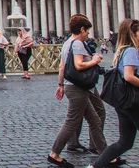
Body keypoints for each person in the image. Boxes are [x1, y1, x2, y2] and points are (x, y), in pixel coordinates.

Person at [47, 14, 110, 168]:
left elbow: (62, 66)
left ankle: (106, 155)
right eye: (87, 30)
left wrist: (60, 84)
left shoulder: (67, 43)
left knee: (94, 120)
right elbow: (79, 65)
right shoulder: (77, 44)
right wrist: (94, 60)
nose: (88, 33)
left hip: (72, 86)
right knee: (71, 122)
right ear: (82, 29)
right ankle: (54, 154)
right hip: (77, 88)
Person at [89, 19, 139, 168]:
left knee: (125, 142)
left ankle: (94, 166)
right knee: (124, 142)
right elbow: (129, 76)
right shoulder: (130, 51)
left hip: (123, 101)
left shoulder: (123, 50)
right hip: (132, 101)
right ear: (133, 34)